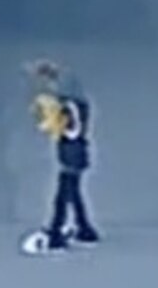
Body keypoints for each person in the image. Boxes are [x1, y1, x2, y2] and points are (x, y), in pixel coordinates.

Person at [19, 62, 100, 255]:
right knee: (73, 194)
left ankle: (56, 235)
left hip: (71, 154)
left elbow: (70, 130)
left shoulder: (69, 107)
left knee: (62, 197)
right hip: (74, 154)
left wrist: (52, 120)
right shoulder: (75, 103)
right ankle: (85, 230)